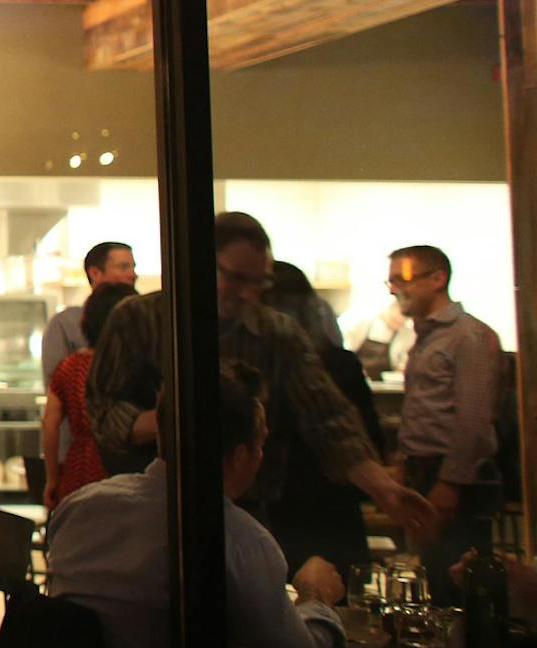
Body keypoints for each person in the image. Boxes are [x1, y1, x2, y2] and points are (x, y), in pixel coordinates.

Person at [84, 212, 433, 539]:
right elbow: (102, 408)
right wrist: (178, 416)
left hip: (246, 511)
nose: (248, 293)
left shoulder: (277, 333)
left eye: (259, 282)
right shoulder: (138, 319)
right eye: (236, 279)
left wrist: (384, 489)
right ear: (200, 263)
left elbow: (329, 418)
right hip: (153, 505)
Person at [46, 362, 348, 648]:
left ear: (162, 432)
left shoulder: (78, 507)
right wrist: (315, 595)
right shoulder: (240, 540)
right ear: (240, 456)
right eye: (261, 444)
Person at [385, 244, 508, 601]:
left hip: (455, 480)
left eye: (403, 279)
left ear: (438, 278)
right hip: (427, 473)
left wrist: (450, 484)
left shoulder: (468, 335)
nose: (395, 289)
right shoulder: (426, 334)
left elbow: (474, 420)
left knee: (458, 585)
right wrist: (403, 464)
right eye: (391, 281)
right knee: (432, 580)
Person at [261, 261, 385, 576]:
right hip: (333, 500)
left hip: (279, 502)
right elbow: (368, 433)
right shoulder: (340, 361)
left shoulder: (260, 363)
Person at [42, 282, 134, 508]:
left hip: (78, 467)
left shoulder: (70, 366)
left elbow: (49, 423)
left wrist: (52, 478)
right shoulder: (131, 365)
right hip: (124, 466)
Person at [42, 240, 137, 390]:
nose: (133, 275)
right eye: (123, 267)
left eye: (133, 267)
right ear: (95, 273)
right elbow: (55, 385)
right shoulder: (66, 322)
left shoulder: (142, 317)